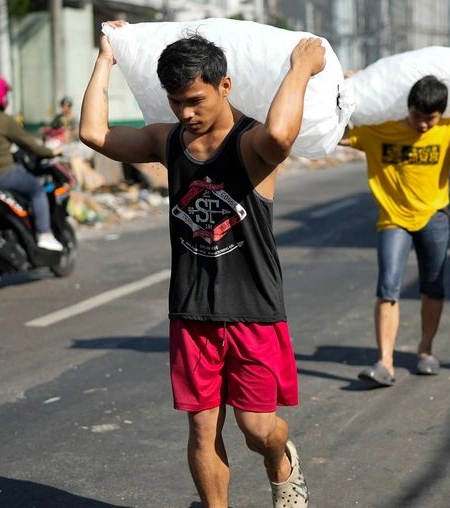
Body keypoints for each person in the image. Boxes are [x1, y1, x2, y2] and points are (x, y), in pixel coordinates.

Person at [79, 20, 324, 508]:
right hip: (191, 309)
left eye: (196, 101)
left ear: (225, 86)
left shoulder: (251, 145)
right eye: (176, 103)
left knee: (257, 429)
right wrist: (106, 59)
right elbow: (93, 133)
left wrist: (301, 67)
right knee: (200, 426)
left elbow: (281, 134)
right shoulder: (168, 142)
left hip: (253, 308)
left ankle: (281, 462)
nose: (186, 113)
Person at [342, 74, 450, 387]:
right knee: (388, 287)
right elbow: (338, 135)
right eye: (418, 117)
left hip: (434, 218)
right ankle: (385, 361)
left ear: (441, 115)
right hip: (393, 218)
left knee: (433, 287)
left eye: (431, 119)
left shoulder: (449, 130)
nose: (424, 125)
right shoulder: (381, 131)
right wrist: (345, 91)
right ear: (407, 107)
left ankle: (425, 350)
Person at [0, 73, 64, 251]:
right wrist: (51, 152)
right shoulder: (4, 120)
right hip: (2, 174)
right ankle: (44, 234)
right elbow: (29, 144)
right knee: (37, 190)